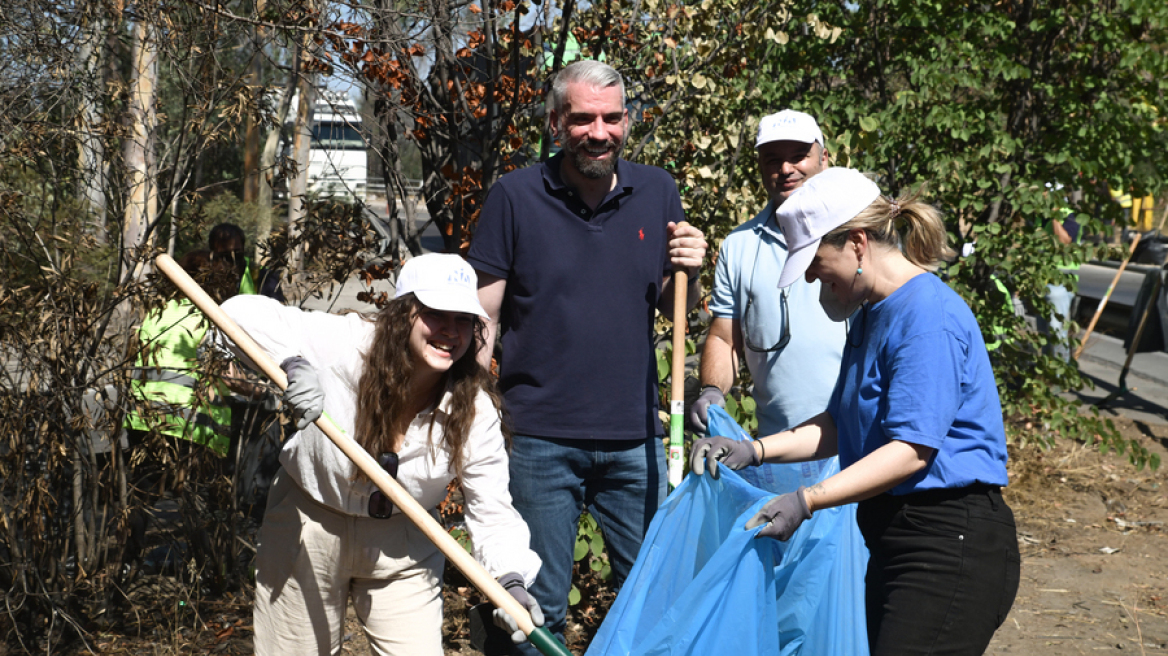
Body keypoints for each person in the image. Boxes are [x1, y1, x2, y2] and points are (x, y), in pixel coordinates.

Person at [691, 167, 1020, 655]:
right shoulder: (873, 315)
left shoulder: (926, 316)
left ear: (857, 244)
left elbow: (911, 451)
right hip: (898, 539)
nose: (809, 276)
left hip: (949, 543)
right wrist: (752, 449)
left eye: (816, 259)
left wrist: (808, 500)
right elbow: (841, 424)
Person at [467, 59, 708, 652]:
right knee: (531, 607)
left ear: (627, 121)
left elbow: (683, 316)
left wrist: (694, 274)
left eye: (611, 117)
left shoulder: (658, 192)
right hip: (541, 441)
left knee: (658, 595)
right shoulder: (514, 196)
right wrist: (471, 410)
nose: (598, 132)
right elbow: (483, 316)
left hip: (637, 438)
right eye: (582, 119)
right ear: (555, 122)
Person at [221, 254, 543, 655]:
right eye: (435, 313)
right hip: (308, 525)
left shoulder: (473, 407)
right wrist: (293, 364)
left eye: (463, 319)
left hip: (405, 542)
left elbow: (492, 509)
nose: (450, 331)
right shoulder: (346, 344)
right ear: (403, 312)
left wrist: (510, 583)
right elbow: (236, 313)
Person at [689, 108, 847, 440]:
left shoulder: (859, 233)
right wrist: (713, 391)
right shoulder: (739, 246)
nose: (786, 169)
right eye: (773, 159)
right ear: (760, 167)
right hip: (776, 449)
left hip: (859, 443)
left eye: (799, 156)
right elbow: (724, 338)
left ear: (825, 158)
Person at [209, 222, 285, 301]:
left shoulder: (263, 277)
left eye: (237, 252)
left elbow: (276, 309)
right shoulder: (206, 279)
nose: (232, 258)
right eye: (225, 254)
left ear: (243, 248)